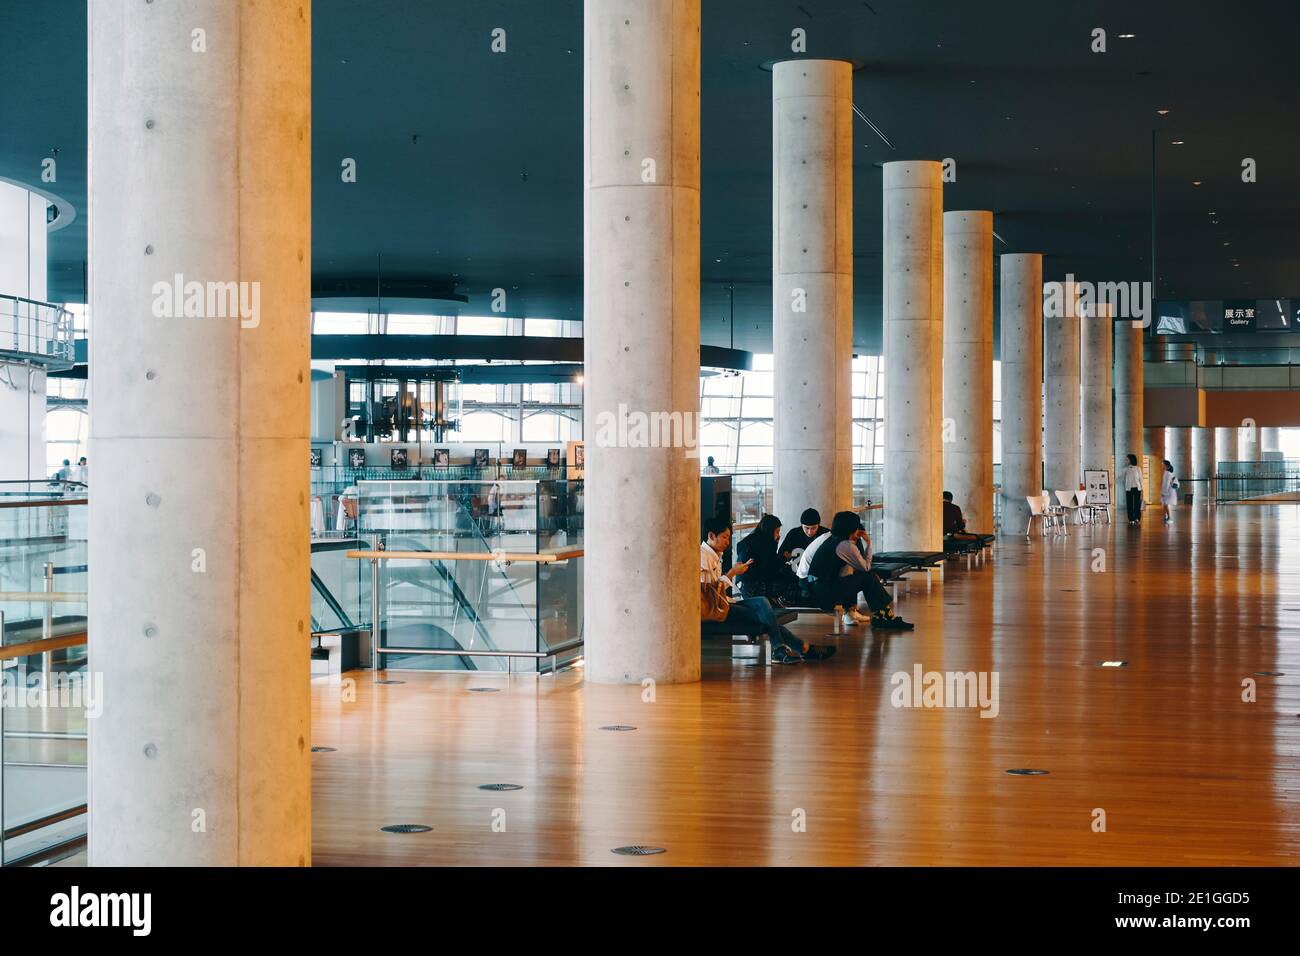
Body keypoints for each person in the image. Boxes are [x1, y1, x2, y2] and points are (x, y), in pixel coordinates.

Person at [701, 518, 834, 663]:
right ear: (711, 536)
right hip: (714, 608)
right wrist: (732, 573)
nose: (728, 542)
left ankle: (789, 649)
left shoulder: (715, 556)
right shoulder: (702, 557)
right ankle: (800, 649)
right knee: (765, 615)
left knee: (763, 603)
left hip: (723, 603)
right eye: (724, 537)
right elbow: (707, 593)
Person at [807, 511, 913, 631]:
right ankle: (884, 617)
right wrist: (868, 542)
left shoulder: (834, 541)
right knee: (868, 577)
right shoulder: (845, 545)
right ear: (852, 528)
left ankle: (883, 616)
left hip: (819, 588)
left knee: (863, 576)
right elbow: (866, 567)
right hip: (823, 593)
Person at [736, 514, 801, 604]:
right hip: (754, 588)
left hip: (744, 586)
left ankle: (772, 600)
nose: (778, 535)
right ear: (770, 531)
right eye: (777, 532)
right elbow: (770, 570)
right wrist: (784, 557)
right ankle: (777, 601)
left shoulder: (752, 539)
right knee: (793, 582)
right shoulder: (764, 544)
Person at [1122, 453, 1143, 525]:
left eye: (1127, 459)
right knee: (1129, 504)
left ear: (1131, 460)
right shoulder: (1125, 469)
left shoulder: (1138, 468)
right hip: (1129, 489)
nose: (1126, 461)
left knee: (1137, 504)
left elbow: (1141, 479)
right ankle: (1131, 519)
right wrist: (1112, 483)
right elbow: (1120, 477)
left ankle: (1137, 518)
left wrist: (1142, 489)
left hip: (1137, 488)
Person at [1159, 459, 1178, 524]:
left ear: (1166, 466)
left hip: (1168, 491)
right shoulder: (1166, 472)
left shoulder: (1168, 473)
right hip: (1166, 491)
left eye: (1163, 464)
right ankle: (1165, 516)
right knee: (1165, 504)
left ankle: (1169, 517)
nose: (1162, 465)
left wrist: (1164, 492)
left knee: (1166, 505)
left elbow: (1166, 484)